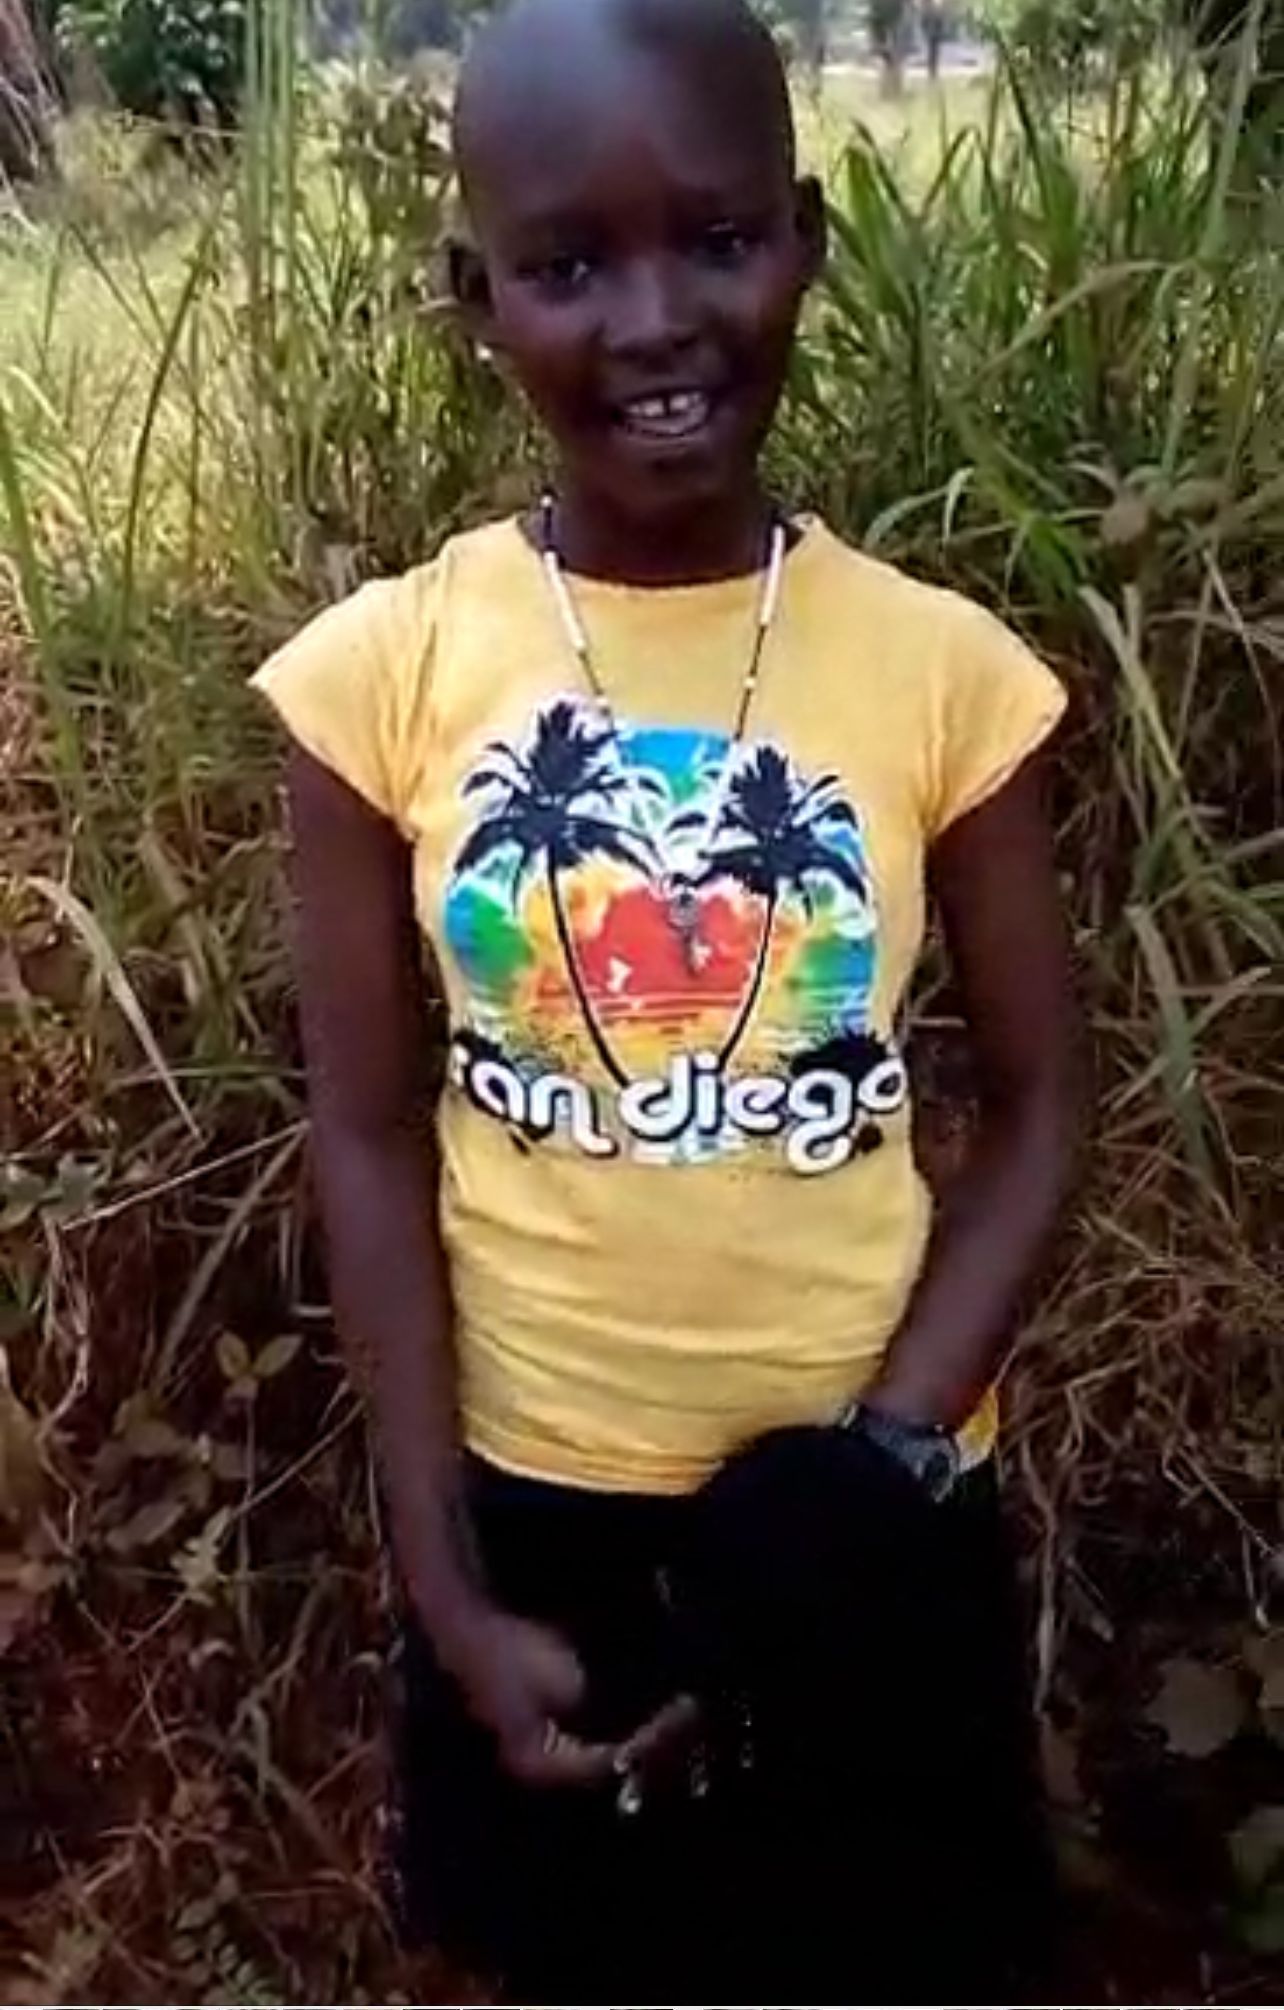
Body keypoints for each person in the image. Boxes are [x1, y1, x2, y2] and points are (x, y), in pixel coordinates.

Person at [252, 0, 1078, 1996]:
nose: (652, 320)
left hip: (868, 1508)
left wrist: (877, 1466)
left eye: (714, 241)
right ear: (477, 296)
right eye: (566, 265)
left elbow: (1045, 1106)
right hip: (542, 1516)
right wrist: (441, 1579)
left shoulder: (944, 673)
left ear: (808, 238)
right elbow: (367, 1127)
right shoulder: (379, 681)